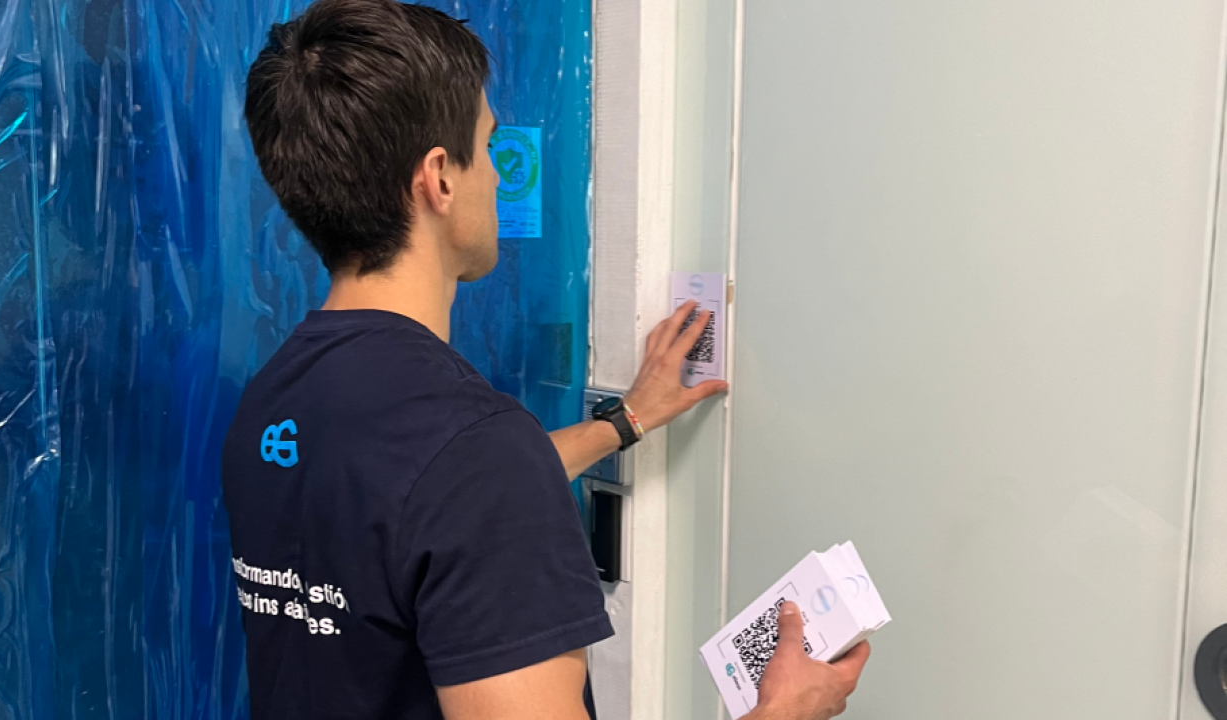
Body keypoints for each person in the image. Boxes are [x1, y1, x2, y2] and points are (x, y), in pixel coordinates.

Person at [223, 1, 871, 718]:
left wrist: (625, 421)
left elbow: (417, 505)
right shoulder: (471, 454)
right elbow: (456, 491)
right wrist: (785, 710)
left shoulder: (273, 400)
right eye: (487, 145)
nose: (498, 178)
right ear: (439, 179)